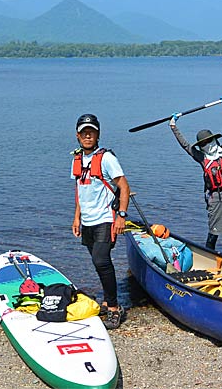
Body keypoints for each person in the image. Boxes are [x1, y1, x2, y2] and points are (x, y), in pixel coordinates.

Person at [71, 114, 130, 330]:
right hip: (87, 221)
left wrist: (121, 216)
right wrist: (77, 216)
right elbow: (79, 189)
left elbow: (124, 186)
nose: (88, 135)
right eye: (84, 131)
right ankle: (107, 299)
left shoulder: (106, 158)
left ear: (98, 134)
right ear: (77, 135)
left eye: (92, 131)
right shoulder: (77, 159)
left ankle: (114, 308)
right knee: (100, 263)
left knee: (101, 261)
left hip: (106, 219)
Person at [169, 98, 222, 259]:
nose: (208, 144)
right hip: (216, 198)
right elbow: (185, 145)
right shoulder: (202, 158)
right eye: (204, 143)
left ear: (214, 139)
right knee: (214, 234)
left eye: (209, 140)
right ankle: (209, 260)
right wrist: (173, 126)